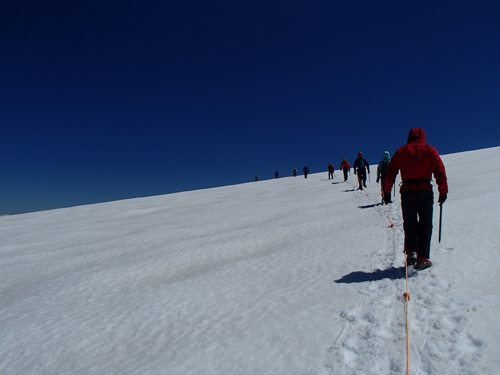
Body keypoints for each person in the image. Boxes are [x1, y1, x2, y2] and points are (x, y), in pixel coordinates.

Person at [383, 128, 448, 271]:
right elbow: (439, 171)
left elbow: (391, 171)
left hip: (407, 191)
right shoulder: (430, 150)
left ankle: (412, 251)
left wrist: (387, 191)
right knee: (425, 224)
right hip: (425, 190)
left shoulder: (401, 151)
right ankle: (423, 258)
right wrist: (443, 191)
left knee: (410, 223)